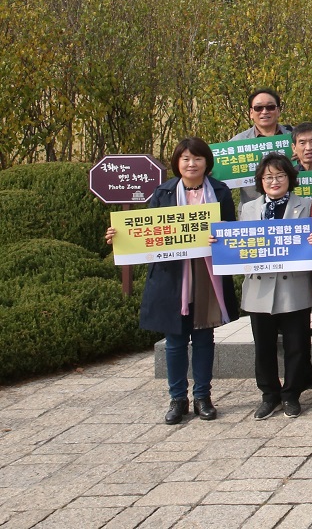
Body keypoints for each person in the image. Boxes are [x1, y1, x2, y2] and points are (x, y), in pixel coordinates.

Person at [107, 137, 239, 425]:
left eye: (198, 159)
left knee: (204, 337)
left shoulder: (220, 191)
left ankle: (203, 396)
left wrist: (223, 234)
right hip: (173, 274)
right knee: (175, 340)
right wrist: (120, 237)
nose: (192, 164)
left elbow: (231, 231)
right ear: (177, 163)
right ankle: (178, 398)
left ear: (207, 162)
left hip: (207, 274)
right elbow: (147, 233)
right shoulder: (163, 192)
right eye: (186, 159)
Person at [236, 152, 312, 418]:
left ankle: (292, 394)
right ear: (260, 181)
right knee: (264, 345)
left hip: (292, 284)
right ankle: (269, 394)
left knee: (296, 344)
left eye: (280, 176)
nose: (274, 181)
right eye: (268, 177)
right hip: (259, 288)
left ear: (290, 178)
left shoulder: (305, 204)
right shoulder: (248, 209)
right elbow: (239, 246)